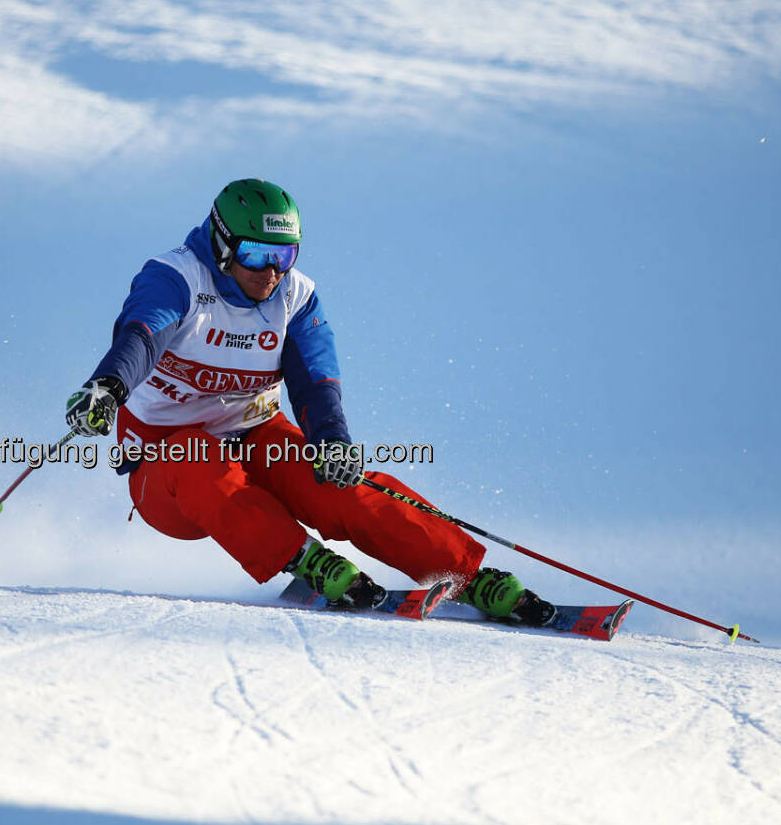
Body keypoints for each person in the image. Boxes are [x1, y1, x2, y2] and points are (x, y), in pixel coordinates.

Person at [63, 178, 554, 624]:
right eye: (257, 255)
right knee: (197, 456)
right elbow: (143, 334)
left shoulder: (295, 298)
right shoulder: (178, 278)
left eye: (285, 255)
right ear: (222, 244)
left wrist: (333, 442)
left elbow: (316, 382)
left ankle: (463, 574)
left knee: (339, 483)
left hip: (256, 440)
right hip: (165, 469)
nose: (270, 272)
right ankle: (305, 561)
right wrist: (108, 387)